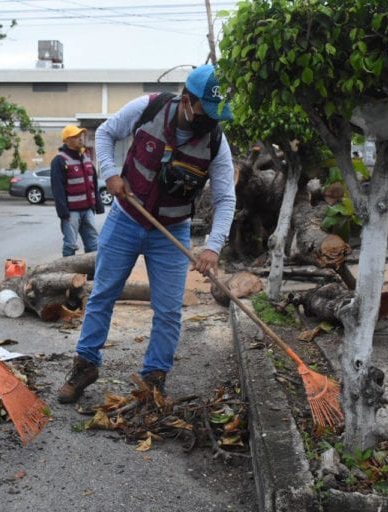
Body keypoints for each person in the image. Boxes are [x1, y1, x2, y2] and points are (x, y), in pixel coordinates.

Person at [57, 64, 236, 403]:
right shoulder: (148, 108)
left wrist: (213, 247)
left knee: (168, 309)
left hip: (172, 230)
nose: (209, 120)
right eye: (204, 112)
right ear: (187, 101)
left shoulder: (215, 140)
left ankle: (154, 378)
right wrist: (109, 174)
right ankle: (85, 366)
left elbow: (227, 197)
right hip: (125, 220)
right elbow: (105, 134)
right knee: (102, 295)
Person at [50, 125, 104, 257]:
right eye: (76, 137)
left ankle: (93, 274)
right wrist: (63, 212)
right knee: (70, 244)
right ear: (66, 141)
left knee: (93, 244)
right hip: (71, 212)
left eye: (81, 136)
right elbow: (57, 188)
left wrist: (97, 203)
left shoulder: (86, 157)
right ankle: (67, 276)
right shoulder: (59, 160)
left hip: (88, 210)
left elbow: (94, 182)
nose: (81, 139)